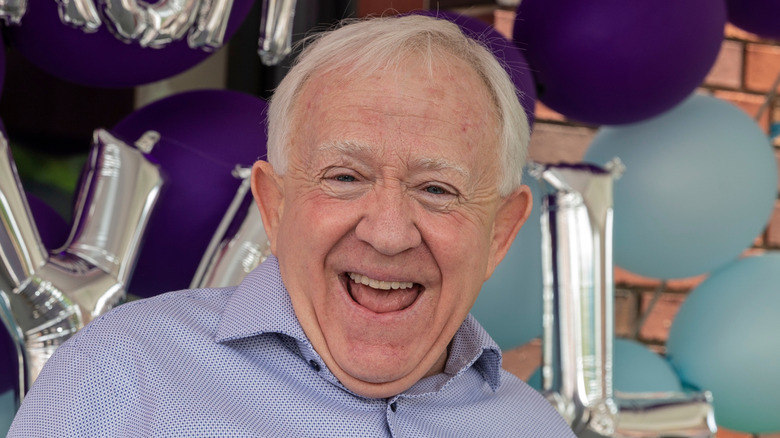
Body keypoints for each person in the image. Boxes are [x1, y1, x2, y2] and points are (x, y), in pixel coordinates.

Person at [9, 14, 575, 436]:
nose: (387, 232)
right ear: (274, 206)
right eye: (345, 177)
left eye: (436, 189)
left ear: (500, 232)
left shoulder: (536, 429)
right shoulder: (119, 377)